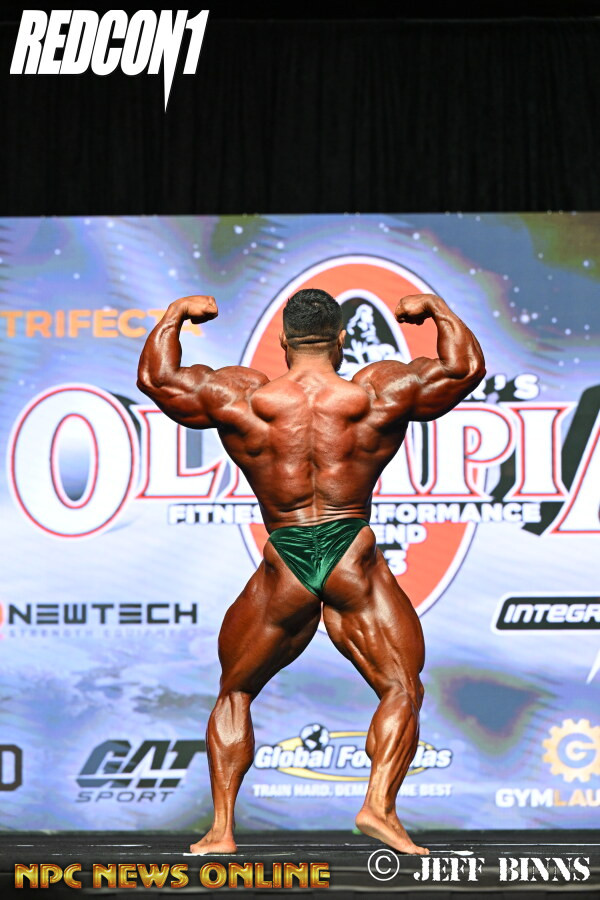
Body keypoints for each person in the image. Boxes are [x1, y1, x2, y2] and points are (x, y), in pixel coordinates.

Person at [137, 288, 485, 856]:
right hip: (351, 552)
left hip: (286, 557)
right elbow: (463, 368)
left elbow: (159, 380)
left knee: (236, 690)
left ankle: (221, 830)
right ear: (341, 340)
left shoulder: (245, 398)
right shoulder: (376, 393)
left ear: (283, 341)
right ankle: (378, 806)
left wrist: (175, 316)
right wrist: (437, 310)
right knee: (400, 686)